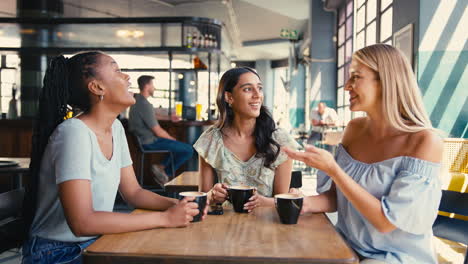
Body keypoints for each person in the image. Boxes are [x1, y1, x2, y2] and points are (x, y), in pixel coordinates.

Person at [22, 52, 205, 264]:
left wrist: (181, 206)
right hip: (58, 252)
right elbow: (82, 222)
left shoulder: (115, 127)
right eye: (117, 70)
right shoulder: (73, 133)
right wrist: (165, 218)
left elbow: (134, 193)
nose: (127, 77)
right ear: (97, 87)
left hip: (94, 242)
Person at [284, 44, 443, 263]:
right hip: (347, 248)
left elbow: (386, 222)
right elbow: (335, 198)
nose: (347, 86)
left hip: (396, 257)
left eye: (356, 77)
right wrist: (300, 202)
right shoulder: (354, 129)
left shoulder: (425, 141)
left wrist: (334, 169)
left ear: (386, 81)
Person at [194, 67, 299, 212]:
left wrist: (265, 202)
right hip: (223, 227)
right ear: (229, 97)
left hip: (268, 227)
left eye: (260, 88)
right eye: (248, 89)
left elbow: (282, 200)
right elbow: (204, 200)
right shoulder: (210, 140)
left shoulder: (280, 141)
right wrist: (212, 196)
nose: (257, 95)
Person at [128, 75, 193, 183]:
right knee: (188, 150)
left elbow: (150, 116)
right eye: (152, 85)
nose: (154, 88)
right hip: (148, 142)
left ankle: (161, 169)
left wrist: (169, 118)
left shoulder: (138, 101)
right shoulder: (144, 104)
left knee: (175, 147)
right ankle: (164, 174)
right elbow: (157, 131)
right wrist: (172, 140)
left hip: (142, 141)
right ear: (147, 86)